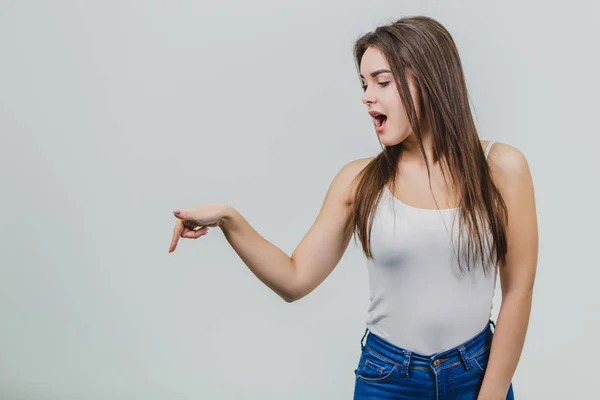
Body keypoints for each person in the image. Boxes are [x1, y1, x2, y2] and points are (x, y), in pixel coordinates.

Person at [168, 15, 538, 400]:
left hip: (477, 375)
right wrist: (230, 219)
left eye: (382, 81)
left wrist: (490, 396)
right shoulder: (359, 181)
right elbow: (294, 280)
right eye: (364, 84)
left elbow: (518, 290)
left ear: (429, 79)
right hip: (388, 380)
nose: (366, 96)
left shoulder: (502, 168)